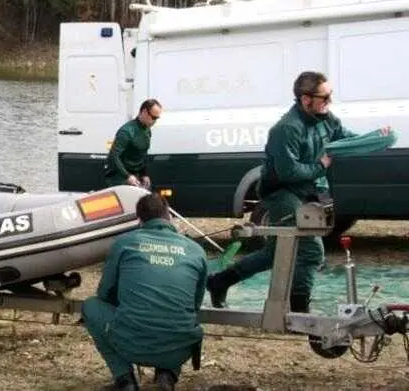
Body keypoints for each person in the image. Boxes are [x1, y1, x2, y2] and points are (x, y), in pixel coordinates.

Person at [206, 71, 387, 313]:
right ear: (305, 99)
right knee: (311, 251)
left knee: (276, 252)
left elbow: (346, 139)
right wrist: (320, 165)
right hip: (281, 192)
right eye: (325, 97)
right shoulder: (286, 129)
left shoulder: (326, 118)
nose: (329, 101)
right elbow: (288, 172)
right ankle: (298, 310)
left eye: (330, 95)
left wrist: (375, 138)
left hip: (306, 191)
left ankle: (219, 281)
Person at [82, 193, 207, 391]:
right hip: (179, 349)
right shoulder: (196, 250)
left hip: (130, 344)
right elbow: (194, 305)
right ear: (169, 216)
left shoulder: (124, 243)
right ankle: (167, 375)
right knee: (178, 312)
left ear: (139, 220)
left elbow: (104, 293)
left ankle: (125, 380)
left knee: (90, 306)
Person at [103, 99, 162, 189]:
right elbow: (113, 156)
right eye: (153, 117)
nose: (154, 121)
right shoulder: (126, 131)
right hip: (120, 176)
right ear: (144, 112)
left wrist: (144, 174)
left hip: (135, 174)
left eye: (157, 118)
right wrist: (127, 176)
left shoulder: (147, 130)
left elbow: (142, 155)